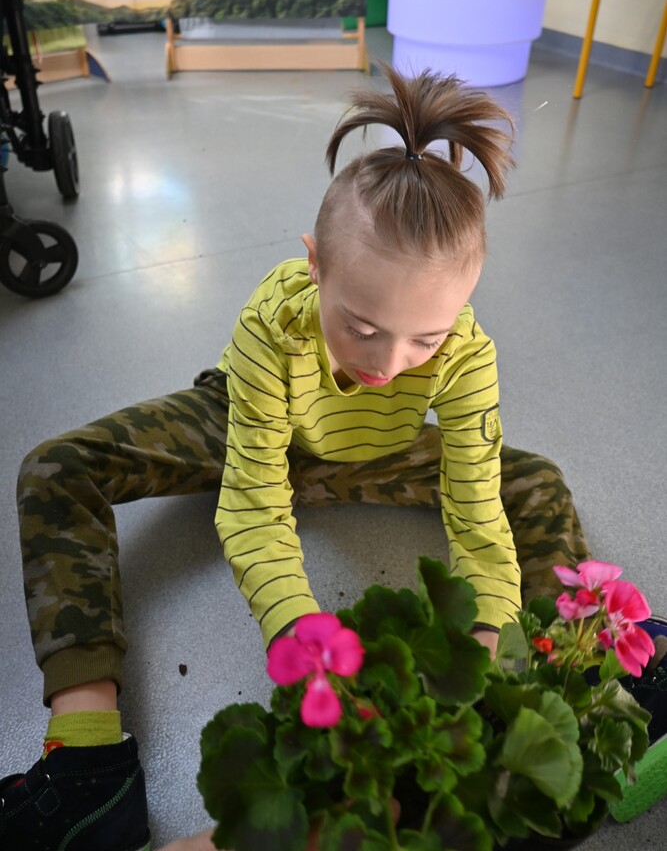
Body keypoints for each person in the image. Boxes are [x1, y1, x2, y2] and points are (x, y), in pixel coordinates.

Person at [2, 68, 593, 851]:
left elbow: (477, 511)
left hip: (376, 451)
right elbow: (254, 506)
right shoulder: (272, 325)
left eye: (426, 338)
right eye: (361, 328)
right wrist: (301, 636)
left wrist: (489, 646)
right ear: (315, 264)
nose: (388, 363)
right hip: (250, 423)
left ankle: (581, 676)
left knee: (537, 481)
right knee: (56, 467)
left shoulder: (467, 354)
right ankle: (87, 763)